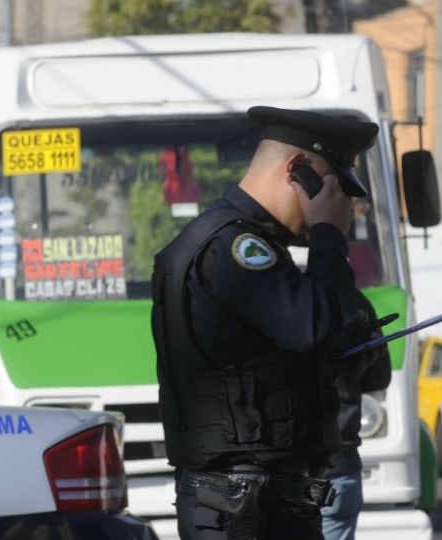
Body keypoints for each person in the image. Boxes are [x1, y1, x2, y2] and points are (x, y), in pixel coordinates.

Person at [152, 106, 385, 540]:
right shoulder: (238, 247)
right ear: (299, 171)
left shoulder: (233, 241)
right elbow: (313, 326)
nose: (342, 207)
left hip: (250, 497)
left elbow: (280, 352)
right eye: (333, 190)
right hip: (248, 502)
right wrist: (327, 235)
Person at [321, 293, 391, 540]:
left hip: (283, 468)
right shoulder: (355, 301)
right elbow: (380, 378)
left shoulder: (282, 295)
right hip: (340, 464)